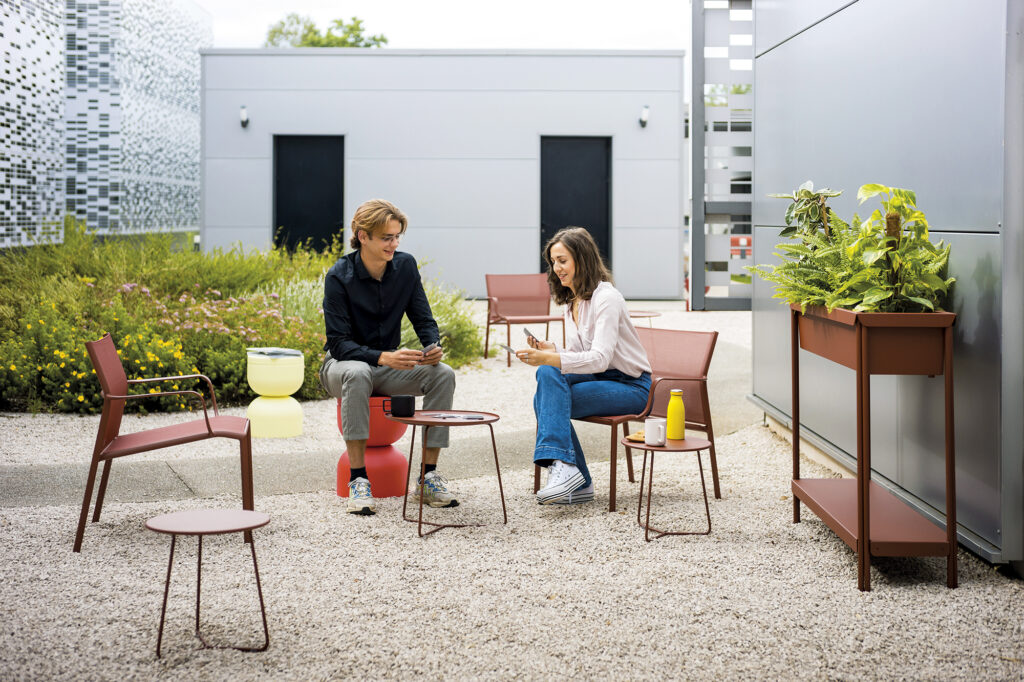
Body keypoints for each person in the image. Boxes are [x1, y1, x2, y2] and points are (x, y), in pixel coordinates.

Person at [319, 199, 458, 515]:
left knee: (444, 374)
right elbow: (339, 344)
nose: (394, 244)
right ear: (363, 235)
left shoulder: (405, 266)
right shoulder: (339, 276)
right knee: (357, 372)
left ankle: (428, 477)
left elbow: (423, 318)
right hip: (340, 366)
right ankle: (358, 479)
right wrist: (384, 357)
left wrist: (431, 346)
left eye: (397, 237)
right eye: (387, 238)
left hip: (384, 366)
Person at [514, 227, 652, 505]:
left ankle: (572, 475)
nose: (556, 269)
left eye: (562, 261)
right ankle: (573, 476)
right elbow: (579, 356)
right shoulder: (572, 303)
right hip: (600, 378)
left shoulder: (607, 298)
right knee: (547, 373)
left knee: (546, 399)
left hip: (632, 386)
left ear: (583, 258)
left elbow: (599, 357)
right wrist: (552, 352)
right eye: (553, 262)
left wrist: (553, 359)